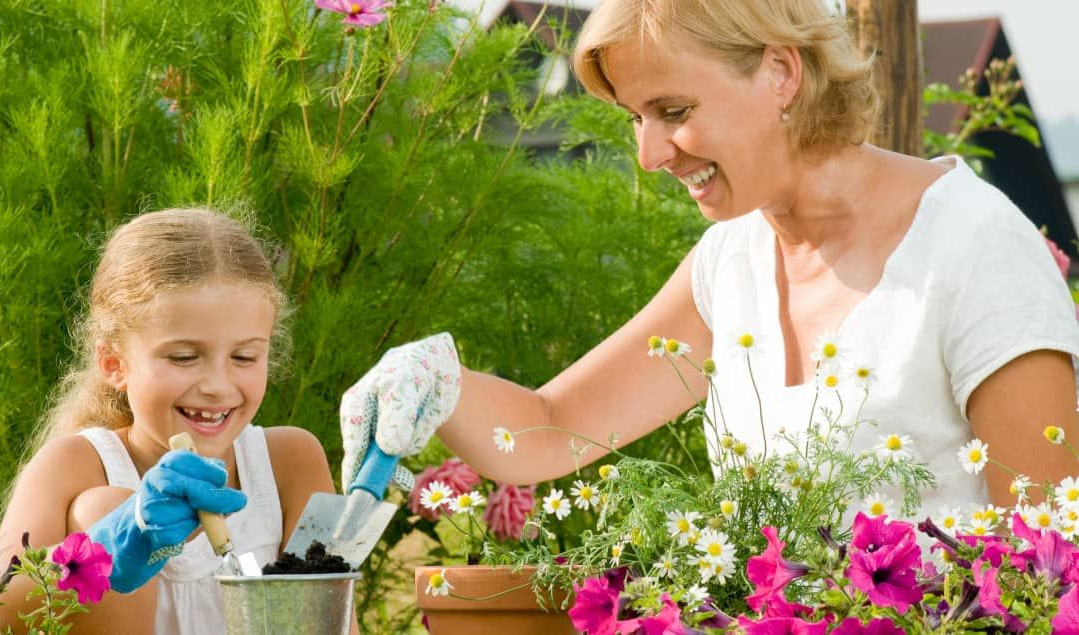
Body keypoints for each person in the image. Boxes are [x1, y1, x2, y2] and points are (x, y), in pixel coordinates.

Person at [340, 0, 1079, 520]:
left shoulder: (973, 246)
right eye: (636, 118)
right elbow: (555, 424)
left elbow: (1046, 568)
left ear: (781, 74)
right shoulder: (731, 261)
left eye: (673, 111)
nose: (648, 154)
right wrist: (435, 381)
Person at [0, 209, 336, 634]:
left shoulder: (290, 462)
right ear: (114, 363)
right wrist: (113, 540)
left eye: (244, 357)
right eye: (184, 357)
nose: (217, 385)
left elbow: (335, 621)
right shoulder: (75, 463)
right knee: (103, 505)